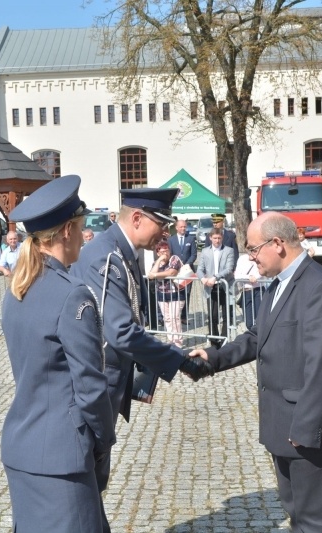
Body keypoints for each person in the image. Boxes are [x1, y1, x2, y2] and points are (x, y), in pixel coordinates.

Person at [189, 212, 322, 533]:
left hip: (307, 431)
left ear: (278, 244)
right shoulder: (278, 285)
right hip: (281, 425)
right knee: (297, 512)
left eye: (254, 249)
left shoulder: (319, 287)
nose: (251, 258)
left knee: (316, 520)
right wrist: (212, 358)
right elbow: (258, 336)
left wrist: (304, 430)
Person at [69, 187, 214, 533]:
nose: (165, 232)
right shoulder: (105, 257)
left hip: (109, 386)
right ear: (136, 218)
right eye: (161, 223)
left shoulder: (123, 252)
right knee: (84, 490)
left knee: (93, 485)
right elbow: (120, 332)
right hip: (94, 390)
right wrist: (177, 360)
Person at [1, 175, 116, 533]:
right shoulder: (73, 296)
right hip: (62, 459)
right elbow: (91, 387)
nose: (85, 236)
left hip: (24, 448)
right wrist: (104, 442)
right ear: (67, 230)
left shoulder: (18, 288)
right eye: (82, 228)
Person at [196, 227, 235, 349]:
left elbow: (229, 269)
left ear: (222, 238)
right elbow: (200, 269)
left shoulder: (229, 250)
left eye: (219, 238)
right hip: (211, 288)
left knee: (226, 315)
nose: (217, 240)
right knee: (212, 316)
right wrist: (202, 279)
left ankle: (224, 339)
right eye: (215, 238)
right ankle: (214, 340)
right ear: (210, 238)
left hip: (225, 286)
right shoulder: (205, 251)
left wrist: (215, 277)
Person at [148, 240, 186, 347]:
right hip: (162, 295)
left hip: (176, 293)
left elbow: (172, 272)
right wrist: (159, 260)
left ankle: (178, 341)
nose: (165, 253)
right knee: (167, 318)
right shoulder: (156, 262)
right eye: (162, 251)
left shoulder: (174, 259)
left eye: (167, 251)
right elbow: (151, 271)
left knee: (175, 317)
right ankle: (171, 339)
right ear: (158, 252)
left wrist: (156, 275)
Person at [167, 218, 197, 325]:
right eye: (181, 227)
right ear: (176, 228)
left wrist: (187, 264)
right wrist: (176, 266)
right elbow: (170, 255)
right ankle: (176, 315)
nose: (183, 228)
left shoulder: (190, 239)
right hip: (176, 272)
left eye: (185, 226)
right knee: (176, 293)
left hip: (188, 272)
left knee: (186, 293)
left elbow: (194, 254)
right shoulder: (171, 240)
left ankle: (184, 316)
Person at [233, 251, 264, 331]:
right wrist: (249, 277)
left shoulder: (261, 256)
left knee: (260, 318)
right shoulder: (242, 258)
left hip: (259, 290)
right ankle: (253, 336)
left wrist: (256, 277)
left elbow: (263, 271)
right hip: (246, 291)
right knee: (248, 321)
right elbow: (237, 276)